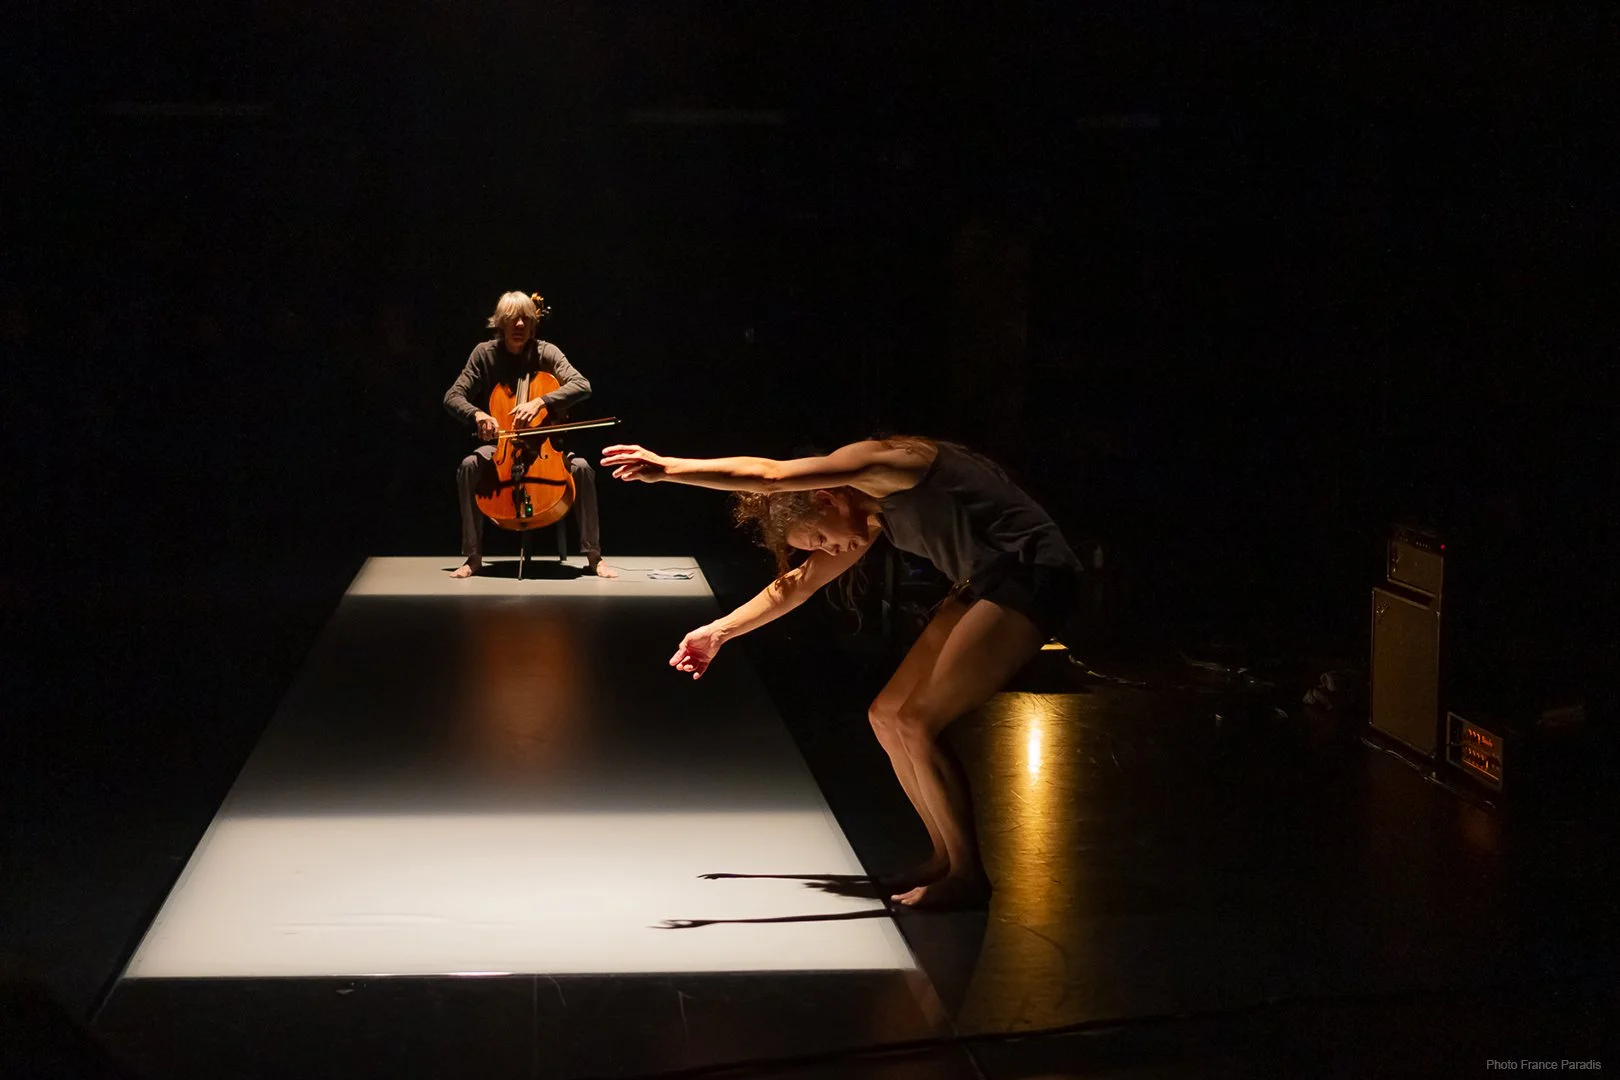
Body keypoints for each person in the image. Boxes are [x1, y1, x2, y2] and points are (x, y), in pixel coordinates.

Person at [600, 436, 1084, 908]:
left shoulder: (884, 465)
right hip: (985, 581)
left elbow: (770, 475)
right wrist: (719, 632)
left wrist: (669, 468)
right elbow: (798, 586)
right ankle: (943, 857)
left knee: (917, 722)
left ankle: (967, 876)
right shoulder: (868, 514)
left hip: (1032, 573)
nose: (828, 550)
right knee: (886, 715)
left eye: (818, 538)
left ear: (826, 499)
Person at [444, 292, 616, 578]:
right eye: (513, 318)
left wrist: (542, 401)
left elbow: (581, 385)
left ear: (534, 323)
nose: (520, 324)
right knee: (469, 466)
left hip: (544, 447)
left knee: (583, 469)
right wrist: (478, 415)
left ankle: (594, 555)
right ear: (500, 323)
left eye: (526, 318)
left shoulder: (546, 352)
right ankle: (473, 557)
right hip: (501, 446)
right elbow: (453, 395)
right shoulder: (484, 354)